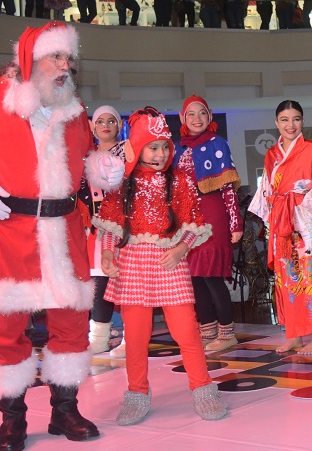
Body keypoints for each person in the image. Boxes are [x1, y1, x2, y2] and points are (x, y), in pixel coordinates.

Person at [0, 22, 126, 451]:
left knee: (71, 322)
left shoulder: (75, 109)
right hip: (7, 227)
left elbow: (83, 161)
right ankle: (13, 419)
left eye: (68, 60)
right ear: (31, 60)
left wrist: (102, 169)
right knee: (4, 325)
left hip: (64, 231)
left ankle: (65, 410)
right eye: (56, 58)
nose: (65, 67)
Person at [93, 107, 229, 425]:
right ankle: (137, 393)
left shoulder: (179, 180)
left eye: (165, 146)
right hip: (132, 265)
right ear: (138, 147)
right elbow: (112, 225)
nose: (160, 153)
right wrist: (108, 256)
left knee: (187, 333)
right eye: (153, 146)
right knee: (137, 337)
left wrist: (181, 248)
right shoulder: (123, 184)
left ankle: (203, 389)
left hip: (169, 262)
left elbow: (193, 222)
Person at [250, 100, 312, 354]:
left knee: (310, 274)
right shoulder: (271, 155)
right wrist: (270, 221)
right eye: (285, 120)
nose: (291, 124)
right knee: (284, 277)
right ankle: (294, 334)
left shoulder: (311, 148)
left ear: (303, 121)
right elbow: (267, 189)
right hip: (281, 221)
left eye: (296, 119)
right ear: (276, 123)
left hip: (305, 219)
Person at [175, 96, 243, 351]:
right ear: (183, 119)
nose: (196, 118)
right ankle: (207, 330)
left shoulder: (218, 144)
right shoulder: (177, 148)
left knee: (212, 276)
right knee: (195, 277)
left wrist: (235, 224)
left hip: (212, 215)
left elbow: (228, 189)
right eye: (190, 114)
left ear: (210, 116)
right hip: (186, 220)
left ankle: (226, 332)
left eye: (201, 113)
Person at [80, 106, 128, 356]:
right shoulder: (86, 157)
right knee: (99, 283)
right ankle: (98, 338)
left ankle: (131, 338)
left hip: (124, 227)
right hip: (97, 229)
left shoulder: (126, 152)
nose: (106, 125)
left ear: (119, 125)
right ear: (93, 126)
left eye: (111, 121)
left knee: (127, 283)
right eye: (100, 121)